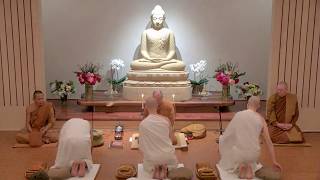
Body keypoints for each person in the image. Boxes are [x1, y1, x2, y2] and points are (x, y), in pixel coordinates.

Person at [218, 96, 281, 179]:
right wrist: (274, 161)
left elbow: (228, 134)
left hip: (239, 154)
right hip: (254, 155)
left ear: (247, 104)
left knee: (223, 139)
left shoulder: (238, 115)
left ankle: (241, 166)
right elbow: (269, 142)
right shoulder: (261, 119)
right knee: (250, 154)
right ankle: (249, 167)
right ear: (258, 106)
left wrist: (221, 145)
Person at [130, 5, 185, 71]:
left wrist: (167, 59)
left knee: (181, 65)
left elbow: (172, 51)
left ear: (164, 19)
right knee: (134, 64)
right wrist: (149, 58)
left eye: (160, 18)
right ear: (151, 19)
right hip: (150, 61)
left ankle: (155, 67)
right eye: (155, 18)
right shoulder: (146, 32)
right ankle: (159, 66)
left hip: (165, 60)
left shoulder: (169, 32)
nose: (158, 21)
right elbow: (143, 51)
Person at [139, 97, 178, 179]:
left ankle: (154, 169)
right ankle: (166, 168)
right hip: (168, 156)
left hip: (152, 158)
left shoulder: (143, 124)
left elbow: (141, 145)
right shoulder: (166, 120)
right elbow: (172, 139)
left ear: (146, 107)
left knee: (147, 164)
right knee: (172, 162)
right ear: (157, 107)